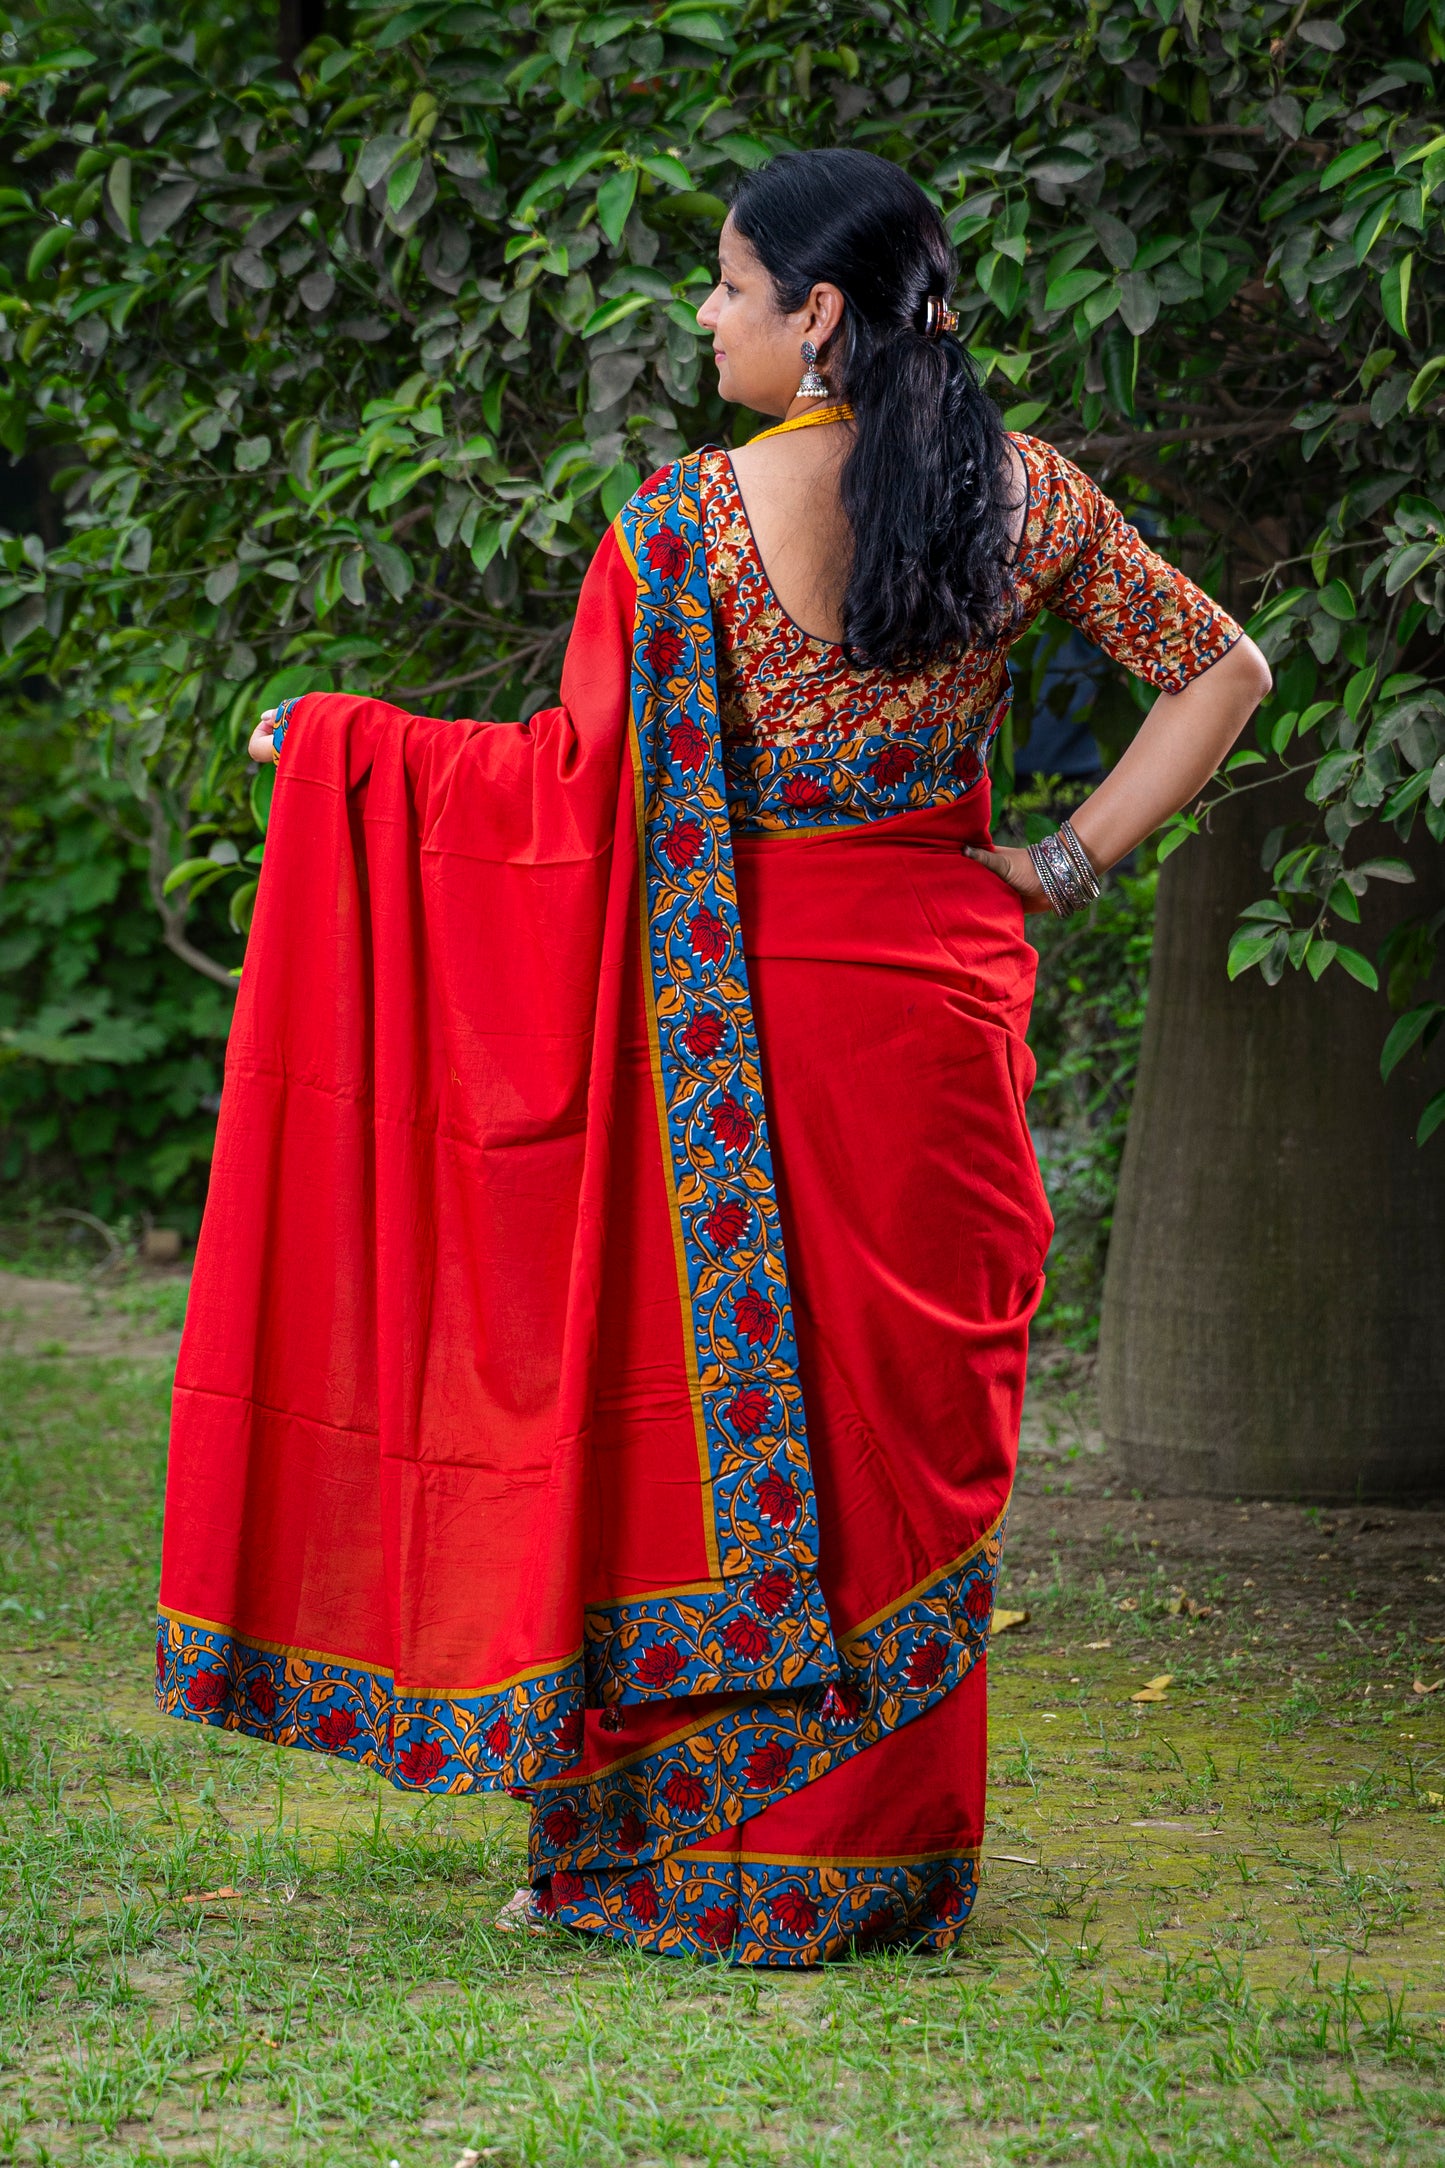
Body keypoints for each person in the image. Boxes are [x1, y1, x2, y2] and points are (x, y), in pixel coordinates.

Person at [156, 147, 1270, 1965]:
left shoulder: (678, 530)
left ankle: (678, 1851)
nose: (703, 316)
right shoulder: (1025, 493)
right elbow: (1223, 667)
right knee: (896, 1430)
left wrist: (348, 752)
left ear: (815, 312)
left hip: (730, 1037)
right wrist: (1063, 865)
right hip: (936, 1007)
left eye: (727, 286)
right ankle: (880, 1859)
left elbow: (574, 792)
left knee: (717, 1429)